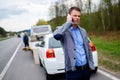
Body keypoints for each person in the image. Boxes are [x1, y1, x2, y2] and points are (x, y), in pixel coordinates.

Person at [53, 6, 94, 80]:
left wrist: (91, 65)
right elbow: (56, 36)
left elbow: (88, 49)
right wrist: (68, 22)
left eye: (79, 16)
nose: (77, 18)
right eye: (75, 15)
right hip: (72, 71)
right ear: (69, 16)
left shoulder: (83, 31)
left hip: (85, 70)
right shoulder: (63, 30)